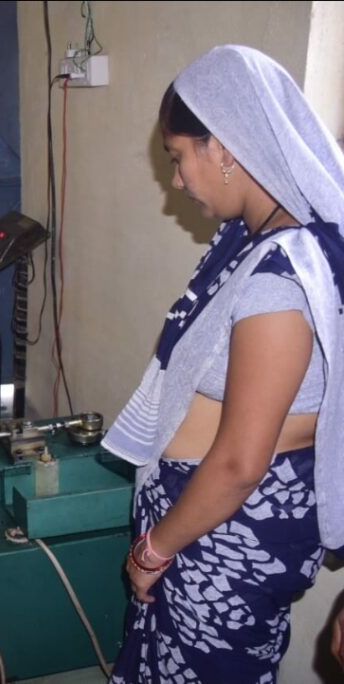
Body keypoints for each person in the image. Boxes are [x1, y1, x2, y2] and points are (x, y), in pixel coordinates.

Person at [102, 45, 344, 682]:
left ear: (226, 148)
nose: (176, 180)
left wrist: (154, 550)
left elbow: (240, 460)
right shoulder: (254, 246)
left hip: (223, 546)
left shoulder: (279, 281)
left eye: (179, 157)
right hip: (203, 535)